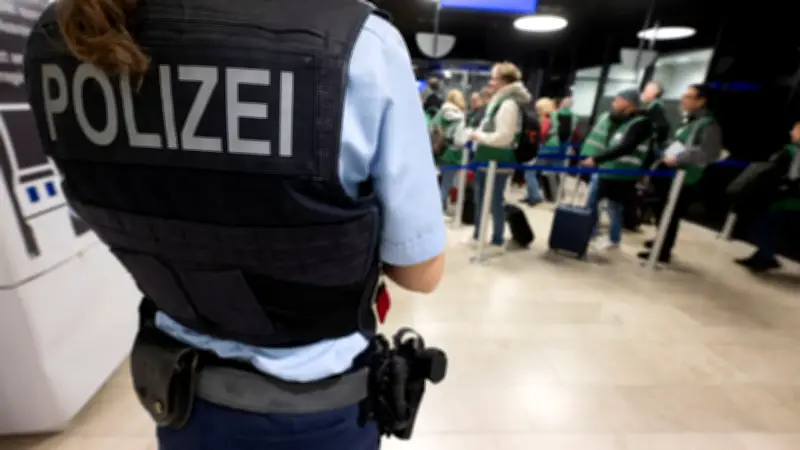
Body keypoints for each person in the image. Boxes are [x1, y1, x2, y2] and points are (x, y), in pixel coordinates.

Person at [24, 0, 446, 448]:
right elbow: (419, 272)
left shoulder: (64, 36)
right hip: (316, 411)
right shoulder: (358, 42)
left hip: (180, 399)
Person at [637, 84, 723, 263]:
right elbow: (680, 142)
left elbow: (708, 152)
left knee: (671, 212)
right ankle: (661, 239)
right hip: (670, 174)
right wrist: (667, 153)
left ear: (701, 101)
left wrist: (678, 158)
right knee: (662, 209)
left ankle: (663, 249)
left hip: (685, 177)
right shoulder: (690, 122)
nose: (683, 99)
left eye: (689, 96)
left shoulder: (708, 125)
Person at [466, 61, 532, 250]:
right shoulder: (501, 101)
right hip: (487, 156)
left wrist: (478, 136)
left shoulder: (508, 104)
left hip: (497, 158)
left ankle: (497, 239)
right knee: (481, 198)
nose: (490, 82)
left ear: (504, 80)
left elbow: (504, 136)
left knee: (495, 200)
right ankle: (478, 235)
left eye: (493, 78)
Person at [580, 89, 653, 250]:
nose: (614, 103)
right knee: (602, 203)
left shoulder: (641, 123)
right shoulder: (621, 120)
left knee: (610, 205)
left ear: (628, 102)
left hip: (622, 173)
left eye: (618, 100)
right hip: (608, 169)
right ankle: (597, 234)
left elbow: (626, 147)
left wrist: (596, 159)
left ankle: (608, 237)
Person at [734, 121, 800, 272]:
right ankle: (763, 256)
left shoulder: (790, 152)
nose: (792, 133)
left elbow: (774, 174)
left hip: (783, 199)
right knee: (771, 227)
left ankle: (765, 257)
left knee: (762, 224)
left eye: (795, 130)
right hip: (793, 200)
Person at [432, 89, 467, 210]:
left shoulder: (441, 112)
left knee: (440, 182)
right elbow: (459, 140)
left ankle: (440, 206)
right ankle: (438, 209)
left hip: (439, 150)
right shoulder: (460, 117)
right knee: (447, 183)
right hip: (453, 152)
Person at [521, 97, 556, 205]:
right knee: (530, 173)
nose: (537, 110)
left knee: (530, 173)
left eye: (539, 108)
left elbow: (542, 134)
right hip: (540, 147)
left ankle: (535, 196)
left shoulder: (545, 120)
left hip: (539, 148)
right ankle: (531, 195)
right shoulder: (548, 120)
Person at [641, 81, 671, 153]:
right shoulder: (655, 107)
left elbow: (663, 126)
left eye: (646, 91)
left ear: (654, 93)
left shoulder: (656, 108)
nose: (643, 93)